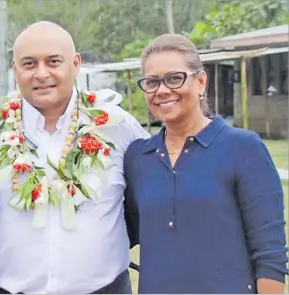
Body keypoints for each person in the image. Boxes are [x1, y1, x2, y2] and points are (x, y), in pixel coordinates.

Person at [0, 21, 149, 294]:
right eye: (29, 64)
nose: (42, 74)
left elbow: (151, 199)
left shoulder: (117, 126)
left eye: (54, 61)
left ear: (76, 63)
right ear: (14, 68)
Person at [123, 33, 288, 294]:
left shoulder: (244, 148)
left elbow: (270, 254)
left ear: (200, 82)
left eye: (174, 78)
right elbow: (121, 233)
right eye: (152, 82)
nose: (162, 90)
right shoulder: (137, 158)